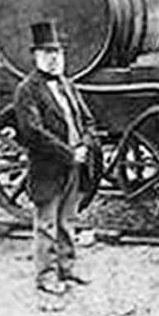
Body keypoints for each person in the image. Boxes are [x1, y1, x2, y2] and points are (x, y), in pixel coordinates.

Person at [13, 19, 98, 295]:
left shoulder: (67, 84)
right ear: (36, 57)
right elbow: (32, 132)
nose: (53, 59)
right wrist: (69, 153)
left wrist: (84, 145)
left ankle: (67, 268)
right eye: (47, 54)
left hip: (75, 164)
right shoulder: (27, 90)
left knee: (67, 221)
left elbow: (87, 120)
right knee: (47, 224)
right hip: (48, 167)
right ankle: (46, 276)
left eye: (57, 54)